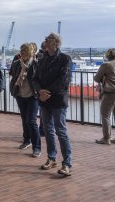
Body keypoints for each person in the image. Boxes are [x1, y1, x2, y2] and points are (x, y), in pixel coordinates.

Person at [32, 33, 72, 177]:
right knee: (48, 130)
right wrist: (39, 91)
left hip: (57, 100)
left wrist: (45, 92)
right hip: (44, 100)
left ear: (55, 42)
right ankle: (51, 158)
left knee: (60, 130)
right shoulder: (42, 60)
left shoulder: (65, 59)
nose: (45, 41)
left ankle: (67, 163)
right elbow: (35, 79)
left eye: (48, 39)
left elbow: (63, 81)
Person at [9, 43, 41, 157]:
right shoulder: (17, 63)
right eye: (21, 50)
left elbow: (38, 80)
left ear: (30, 52)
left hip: (32, 96)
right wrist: (13, 89)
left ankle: (37, 147)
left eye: (24, 50)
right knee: (24, 119)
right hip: (20, 95)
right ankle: (27, 140)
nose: (21, 52)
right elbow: (12, 76)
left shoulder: (36, 64)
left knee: (32, 121)